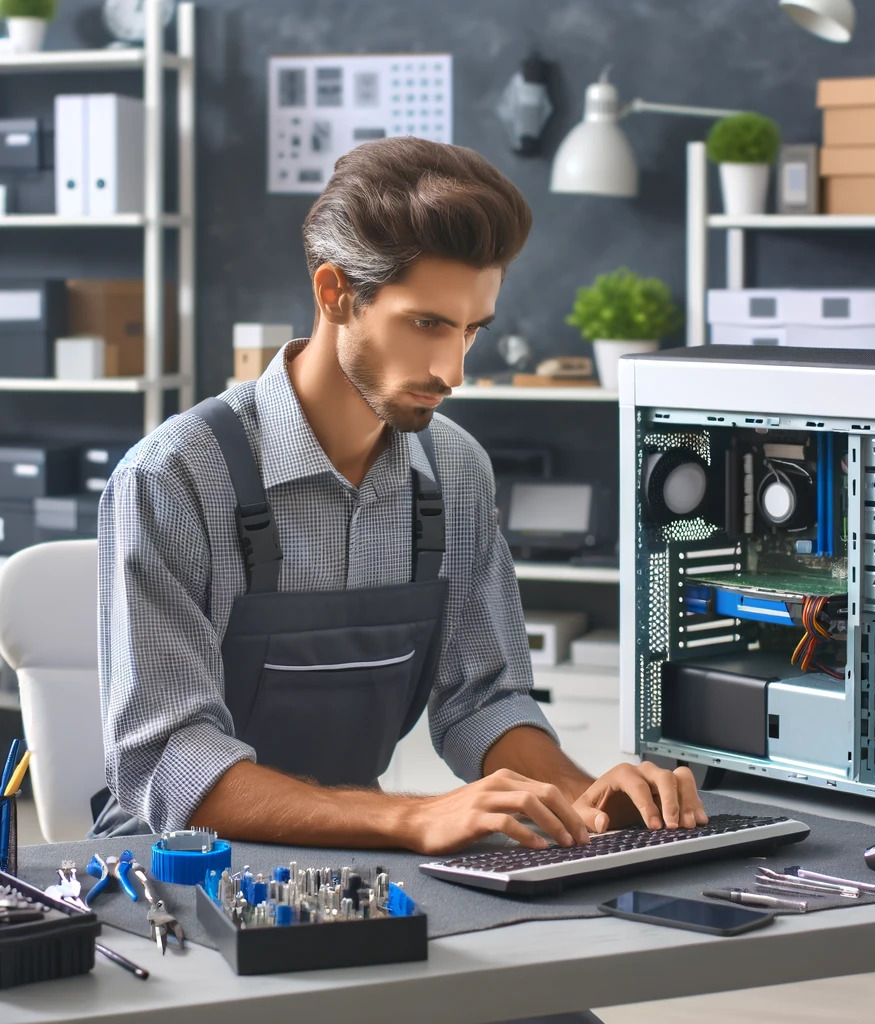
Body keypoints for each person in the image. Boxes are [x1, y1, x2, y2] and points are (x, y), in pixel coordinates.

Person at [95, 136, 707, 853]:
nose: (452, 370)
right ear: (335, 294)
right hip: (168, 870)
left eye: (472, 330)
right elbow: (171, 761)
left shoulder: (456, 473)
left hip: (357, 854)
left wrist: (588, 802)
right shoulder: (171, 479)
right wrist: (415, 817)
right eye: (427, 324)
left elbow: (482, 699)